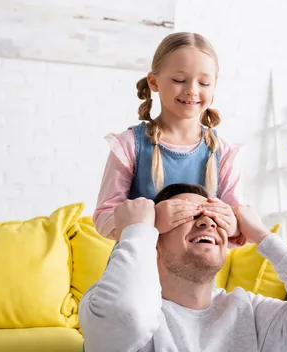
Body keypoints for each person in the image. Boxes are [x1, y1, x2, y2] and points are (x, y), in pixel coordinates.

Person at [80, 183, 287, 352]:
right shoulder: (105, 304)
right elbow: (127, 316)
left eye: (214, 217)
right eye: (184, 215)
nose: (206, 222)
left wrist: (262, 236)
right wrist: (138, 228)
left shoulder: (248, 313)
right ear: (154, 241)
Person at [93, 32, 244, 244]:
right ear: (153, 82)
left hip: (198, 275)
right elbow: (104, 217)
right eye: (179, 80)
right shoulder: (129, 145)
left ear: (214, 85)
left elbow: (239, 225)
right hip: (135, 271)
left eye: (204, 83)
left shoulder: (223, 153)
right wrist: (151, 221)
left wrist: (232, 224)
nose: (192, 90)